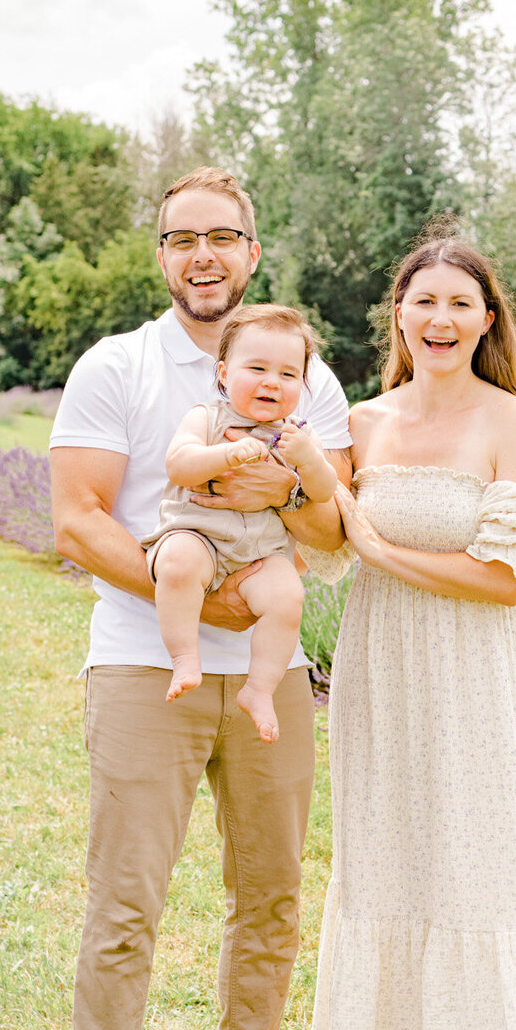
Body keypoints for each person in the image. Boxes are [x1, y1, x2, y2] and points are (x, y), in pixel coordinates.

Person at [50, 168, 351, 1030]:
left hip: (273, 672)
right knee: (126, 900)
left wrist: (292, 485)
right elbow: (79, 518)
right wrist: (204, 602)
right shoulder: (118, 366)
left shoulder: (305, 372)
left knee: (270, 894)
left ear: (252, 251)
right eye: (183, 239)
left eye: (223, 236)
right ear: (162, 255)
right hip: (146, 664)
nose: (204, 255)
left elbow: (335, 535)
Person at [305, 235, 516, 1030]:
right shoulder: (366, 423)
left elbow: (508, 579)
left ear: (487, 319)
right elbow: (314, 533)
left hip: (472, 673)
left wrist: (380, 551)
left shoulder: (513, 422)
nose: (441, 319)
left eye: (461, 303)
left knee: (473, 858)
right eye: (424, 301)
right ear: (399, 315)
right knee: (392, 851)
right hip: (381, 667)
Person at [145, 304, 338, 738]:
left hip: (261, 554)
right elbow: (179, 465)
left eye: (289, 375)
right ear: (224, 374)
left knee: (288, 596)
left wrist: (308, 460)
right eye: (257, 368)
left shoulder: (298, 435)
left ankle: (259, 689)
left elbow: (324, 493)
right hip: (198, 537)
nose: (273, 381)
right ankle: (184, 658)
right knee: (177, 564)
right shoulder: (207, 417)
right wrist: (225, 455)